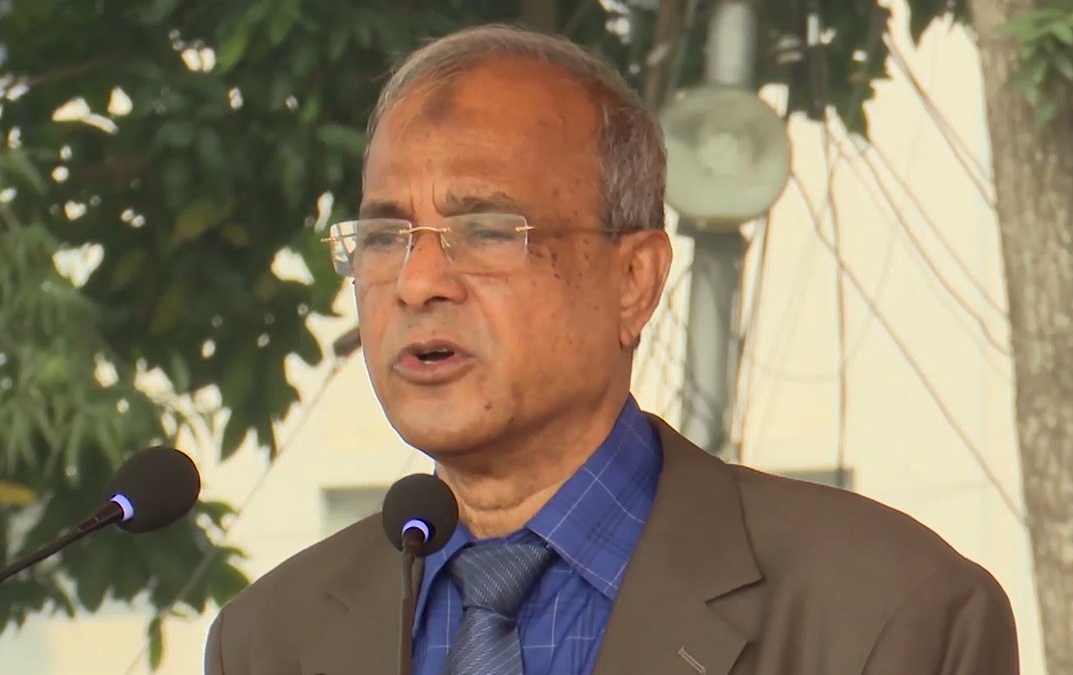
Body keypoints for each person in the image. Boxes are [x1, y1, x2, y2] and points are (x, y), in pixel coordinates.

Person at [204, 24, 1019, 675]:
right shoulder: (271, 639)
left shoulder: (891, 612)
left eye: (486, 230)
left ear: (633, 280)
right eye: (385, 236)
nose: (417, 284)